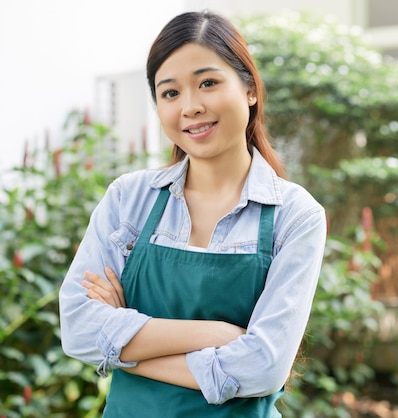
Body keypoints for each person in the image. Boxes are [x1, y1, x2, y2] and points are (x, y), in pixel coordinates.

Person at [58, 10, 326, 417]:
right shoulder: (128, 200)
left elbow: (264, 368)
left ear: (250, 89)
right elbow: (78, 330)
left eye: (208, 83)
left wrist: (124, 345)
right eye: (170, 93)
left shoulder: (295, 216)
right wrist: (216, 334)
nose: (191, 106)